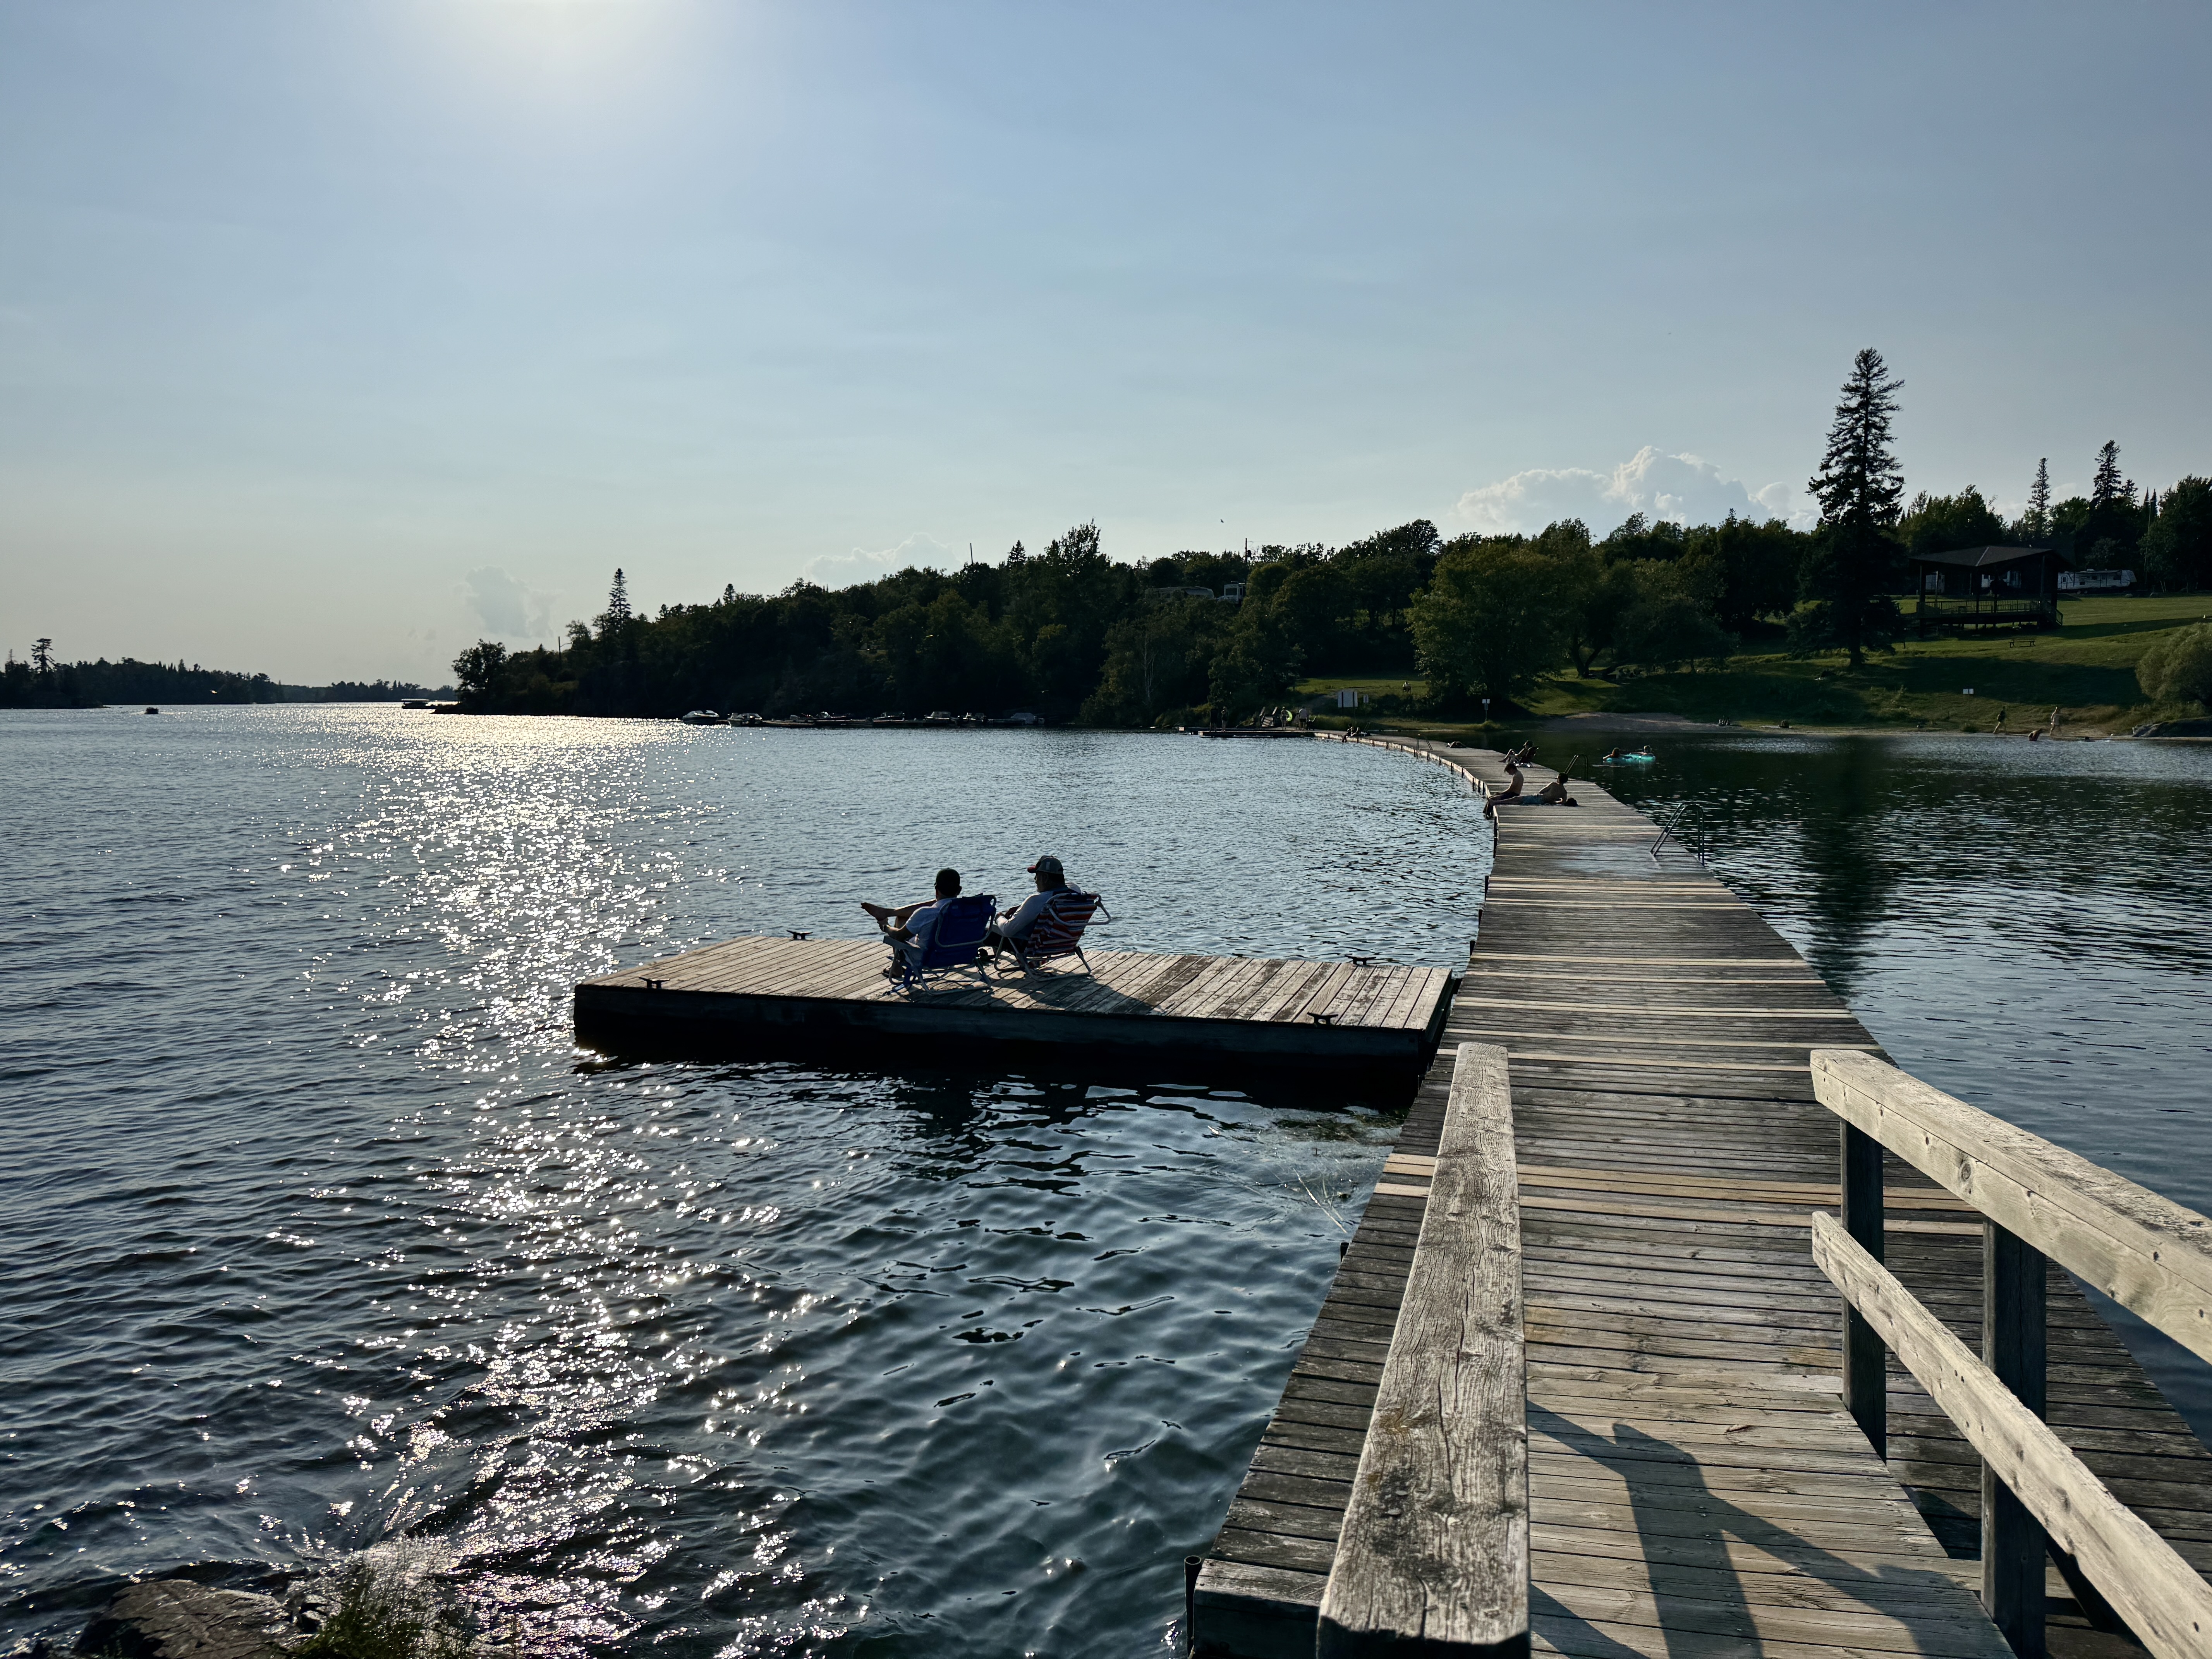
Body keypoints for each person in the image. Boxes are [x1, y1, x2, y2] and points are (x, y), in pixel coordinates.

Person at [863, 867, 962, 977]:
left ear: (936, 890)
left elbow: (898, 936)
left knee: (900, 921)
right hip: (959, 955)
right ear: (959, 890)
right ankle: (888, 912)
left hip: (927, 958)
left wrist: (885, 926)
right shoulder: (970, 910)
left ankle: (896, 968)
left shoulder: (925, 913)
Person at [989, 854, 1080, 963]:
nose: (1035, 880)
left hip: (1034, 947)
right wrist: (1021, 907)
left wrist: (1000, 917)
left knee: (986, 933)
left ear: (1045, 878)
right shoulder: (1075, 892)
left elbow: (1008, 930)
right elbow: (1062, 887)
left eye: (1037, 875)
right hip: (1065, 943)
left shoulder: (1035, 901)